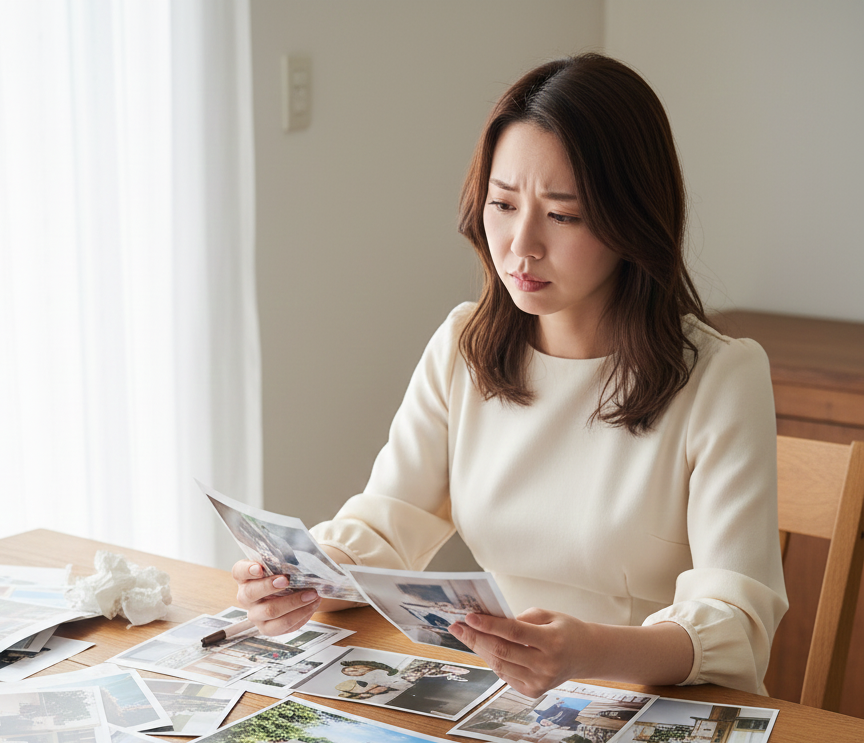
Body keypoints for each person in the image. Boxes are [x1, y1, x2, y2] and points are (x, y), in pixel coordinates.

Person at [231, 53, 786, 700]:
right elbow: (388, 525)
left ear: (632, 217)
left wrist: (587, 650)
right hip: (513, 708)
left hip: (656, 713)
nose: (522, 244)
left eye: (563, 214)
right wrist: (303, 579)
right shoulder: (468, 345)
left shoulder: (721, 377)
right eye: (502, 203)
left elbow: (737, 624)